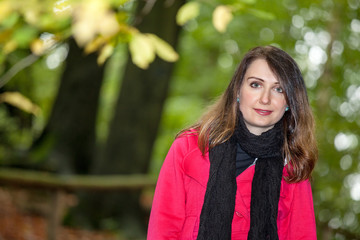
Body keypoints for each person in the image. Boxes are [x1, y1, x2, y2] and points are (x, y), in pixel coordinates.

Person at [147, 46, 318, 240]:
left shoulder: (294, 168)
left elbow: (302, 235)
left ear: (290, 102)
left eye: (278, 89)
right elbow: (163, 231)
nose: (265, 99)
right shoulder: (190, 147)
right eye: (256, 85)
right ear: (238, 90)